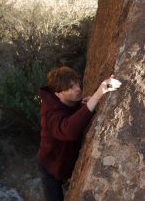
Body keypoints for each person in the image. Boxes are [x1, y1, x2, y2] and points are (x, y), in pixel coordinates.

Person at [37, 66, 121, 201]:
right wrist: (99, 93)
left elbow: (72, 114)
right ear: (58, 94)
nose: (78, 88)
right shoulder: (50, 113)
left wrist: (81, 106)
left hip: (65, 162)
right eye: (70, 87)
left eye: (77, 82)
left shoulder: (70, 101)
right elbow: (68, 130)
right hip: (50, 167)